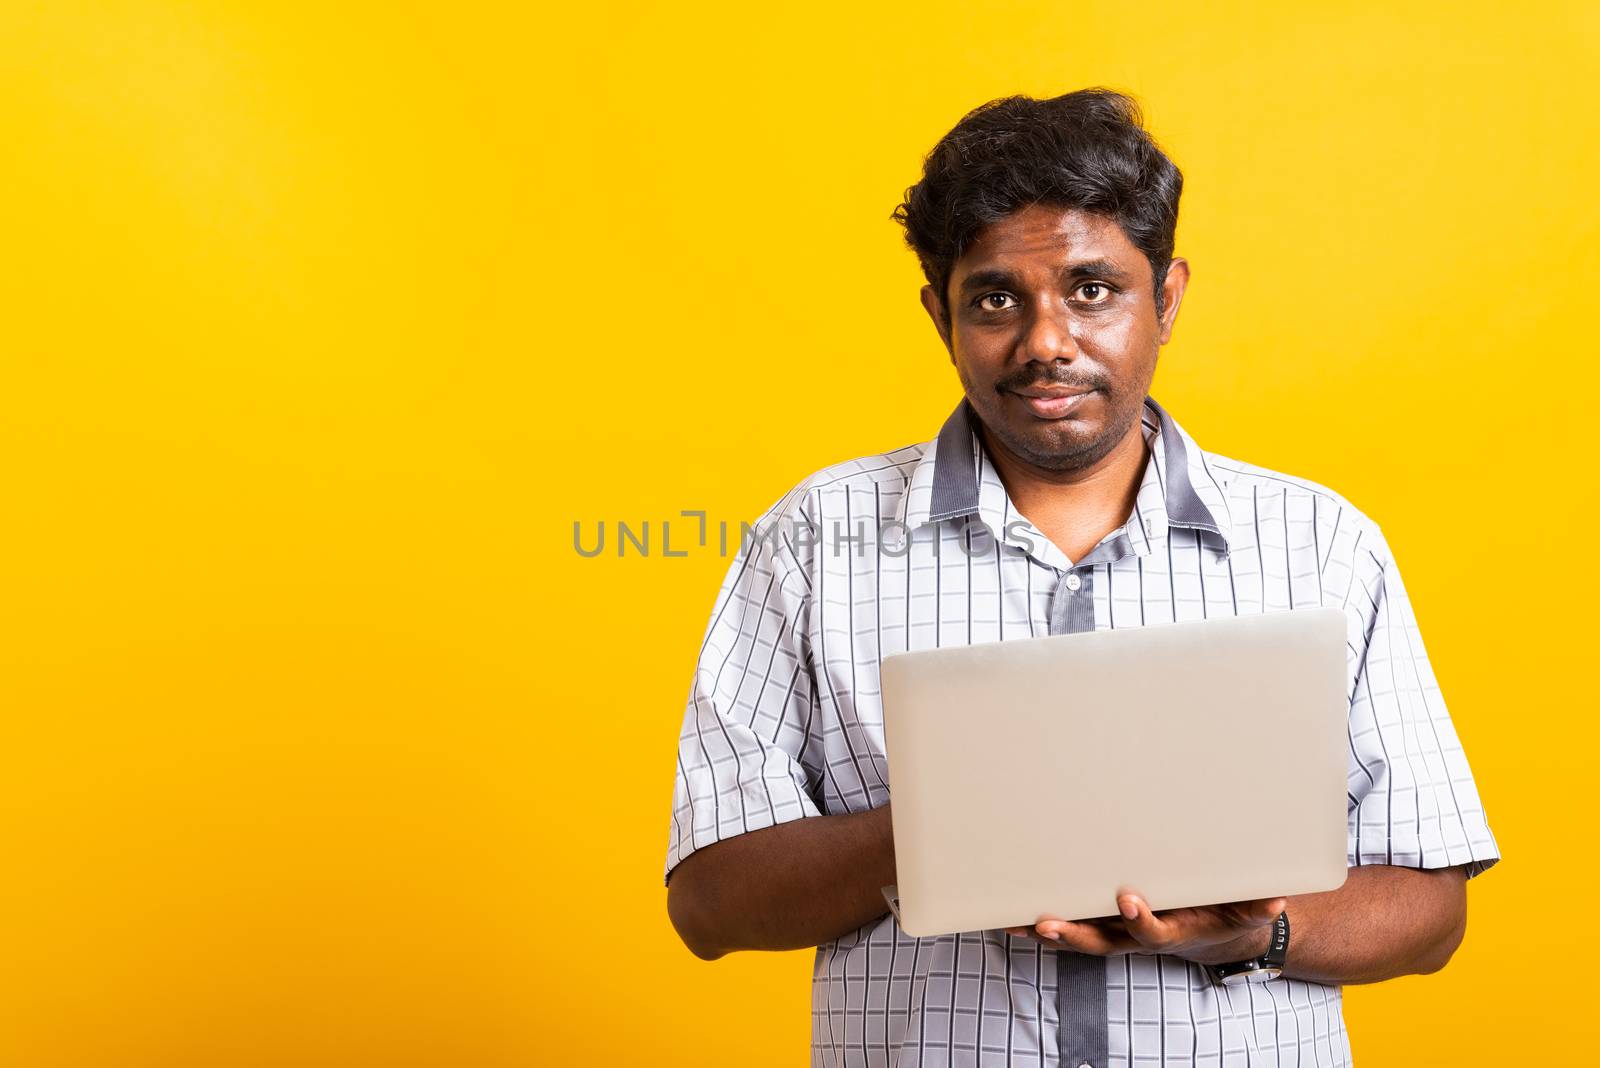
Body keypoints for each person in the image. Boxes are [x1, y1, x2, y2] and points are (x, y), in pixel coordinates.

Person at [661, 88, 1499, 1067]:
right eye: (994, 298)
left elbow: (1431, 906)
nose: (1046, 340)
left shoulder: (1321, 545)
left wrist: (1257, 934)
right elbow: (709, 902)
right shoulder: (809, 540)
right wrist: (961, 816)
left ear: (1168, 297)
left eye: (1091, 289)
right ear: (940, 312)